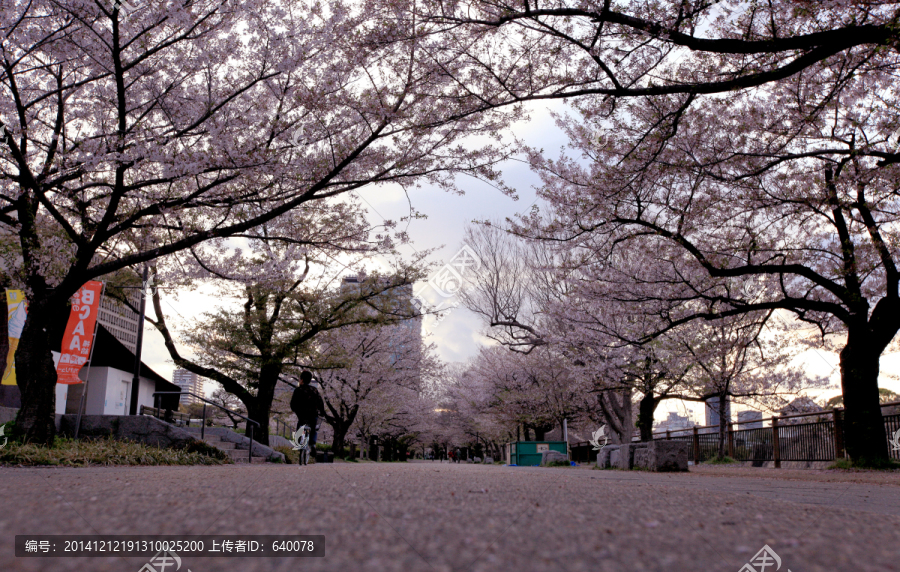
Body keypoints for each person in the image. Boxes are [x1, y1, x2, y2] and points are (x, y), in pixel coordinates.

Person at [290, 371, 325, 464]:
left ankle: (298, 442)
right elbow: (320, 402)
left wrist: (295, 410)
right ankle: (312, 444)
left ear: (301, 379)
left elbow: (293, 403)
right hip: (313, 414)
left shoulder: (298, 390)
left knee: (300, 427)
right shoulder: (314, 390)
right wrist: (322, 412)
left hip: (302, 414)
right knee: (313, 429)